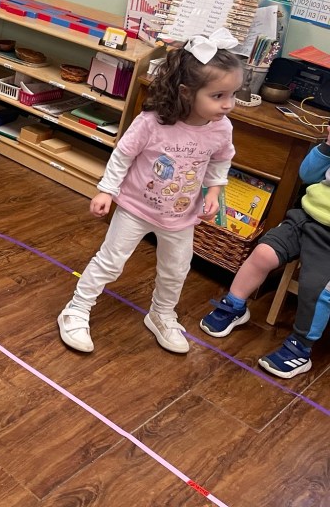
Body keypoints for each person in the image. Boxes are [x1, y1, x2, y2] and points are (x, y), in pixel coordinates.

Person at [57, 30, 242, 354]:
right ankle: (77, 308)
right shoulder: (153, 122)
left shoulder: (221, 128)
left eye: (233, 95)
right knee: (111, 262)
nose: (228, 104)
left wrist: (213, 193)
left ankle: (161, 314)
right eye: (218, 96)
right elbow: (123, 155)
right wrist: (107, 191)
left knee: (175, 271)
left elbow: (221, 160)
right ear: (186, 92)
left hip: (181, 216)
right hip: (135, 208)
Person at [200, 127, 330, 379]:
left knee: (318, 288)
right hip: (306, 217)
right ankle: (235, 304)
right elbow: (307, 175)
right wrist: (326, 147)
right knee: (263, 253)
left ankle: (301, 347)